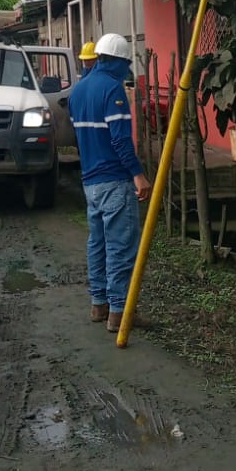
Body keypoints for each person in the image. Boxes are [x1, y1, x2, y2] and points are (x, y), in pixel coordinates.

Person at [68, 33, 151, 331]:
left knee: (97, 244)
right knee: (120, 247)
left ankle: (99, 304)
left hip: (90, 182)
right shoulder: (113, 89)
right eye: (126, 64)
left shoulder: (78, 91)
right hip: (115, 180)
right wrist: (138, 174)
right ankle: (119, 312)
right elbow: (120, 140)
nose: (126, 70)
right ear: (115, 61)